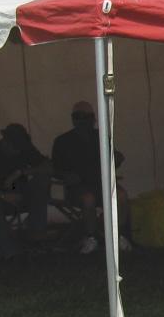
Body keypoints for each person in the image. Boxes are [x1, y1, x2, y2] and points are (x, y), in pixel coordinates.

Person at [51, 100, 131, 254]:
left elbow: (112, 161)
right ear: (73, 119)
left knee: (121, 195)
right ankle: (91, 237)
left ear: (93, 118)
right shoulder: (62, 141)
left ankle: (119, 236)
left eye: (86, 117)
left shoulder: (101, 137)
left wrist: (117, 158)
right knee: (88, 198)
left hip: (103, 185)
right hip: (77, 188)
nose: (82, 121)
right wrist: (66, 176)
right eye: (78, 117)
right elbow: (56, 169)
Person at [0, 123, 52, 261]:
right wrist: (3, 196)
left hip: (20, 195)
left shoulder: (25, 149)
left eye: (20, 147)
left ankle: (36, 234)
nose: (18, 151)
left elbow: (49, 167)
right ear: (5, 142)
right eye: (16, 147)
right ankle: (12, 252)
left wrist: (22, 172)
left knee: (41, 180)